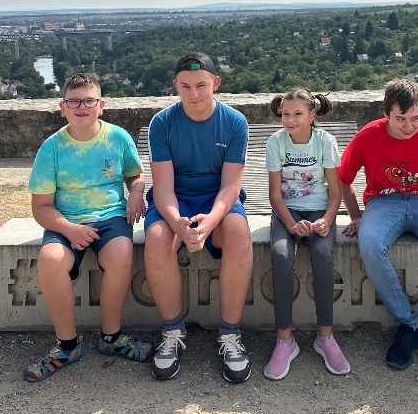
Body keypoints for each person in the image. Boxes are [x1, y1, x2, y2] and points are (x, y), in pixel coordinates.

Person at [24, 72, 155, 382]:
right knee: (50, 260)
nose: (81, 107)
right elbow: (41, 207)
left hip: (110, 217)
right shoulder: (52, 148)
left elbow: (135, 175)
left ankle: (112, 338)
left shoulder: (118, 137)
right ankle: (67, 346)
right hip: (66, 219)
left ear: (101, 105)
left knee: (121, 253)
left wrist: (136, 192)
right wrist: (70, 230)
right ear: (63, 107)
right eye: (74, 102)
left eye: (88, 101)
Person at [338, 78, 418, 373]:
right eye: (400, 119)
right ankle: (407, 325)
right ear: (386, 114)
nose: (409, 126)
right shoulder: (367, 136)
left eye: (415, 118)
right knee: (371, 245)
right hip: (383, 202)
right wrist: (356, 216)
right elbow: (343, 179)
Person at [144, 52, 253, 383]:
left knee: (238, 232)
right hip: (175, 199)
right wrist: (177, 223)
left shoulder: (235, 122)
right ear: (175, 86)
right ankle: (172, 332)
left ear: (215, 83)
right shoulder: (162, 123)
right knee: (158, 238)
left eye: (201, 85)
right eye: (186, 87)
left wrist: (210, 221)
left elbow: (231, 186)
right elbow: (163, 188)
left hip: (216, 198)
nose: (194, 94)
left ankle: (230, 334)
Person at [263, 89, 350, 380]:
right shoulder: (276, 142)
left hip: (318, 210)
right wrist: (290, 224)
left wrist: (327, 220)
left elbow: (335, 192)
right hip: (286, 211)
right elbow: (275, 195)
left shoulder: (325, 141)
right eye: (285, 114)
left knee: (322, 254)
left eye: (298, 114)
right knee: (280, 255)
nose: (290, 119)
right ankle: (285, 340)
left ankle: (325, 336)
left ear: (312, 115)